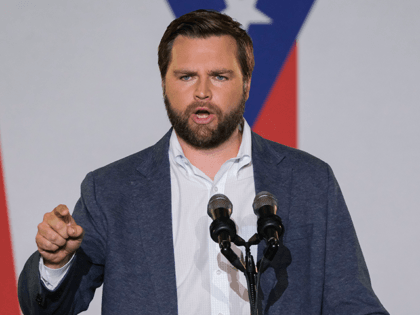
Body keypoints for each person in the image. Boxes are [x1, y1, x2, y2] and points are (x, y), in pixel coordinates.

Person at [18, 9, 388, 315]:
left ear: (246, 83)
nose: (202, 92)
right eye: (187, 76)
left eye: (219, 76)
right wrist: (55, 264)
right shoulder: (112, 190)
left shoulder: (309, 181)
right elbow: (50, 309)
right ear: (164, 82)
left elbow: (352, 303)